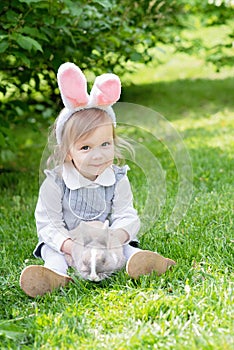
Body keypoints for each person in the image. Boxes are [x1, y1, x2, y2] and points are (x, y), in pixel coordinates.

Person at [20, 62, 176, 297]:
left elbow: (126, 214)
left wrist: (116, 237)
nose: (98, 154)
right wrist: (71, 247)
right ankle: (54, 275)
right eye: (85, 147)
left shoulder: (117, 178)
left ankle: (138, 261)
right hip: (68, 242)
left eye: (105, 144)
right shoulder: (55, 183)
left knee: (125, 248)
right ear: (68, 151)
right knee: (53, 253)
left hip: (106, 240)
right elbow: (49, 225)